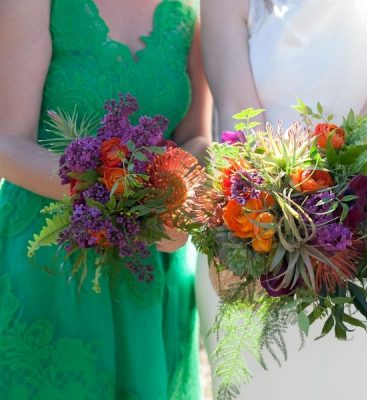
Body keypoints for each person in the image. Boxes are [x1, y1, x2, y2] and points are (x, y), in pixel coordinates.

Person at [198, 0, 367, 398]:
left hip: (352, 243)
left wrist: (337, 229)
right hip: (253, 235)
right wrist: (282, 224)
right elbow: (239, 119)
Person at [0, 0, 212, 398]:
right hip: (52, 264)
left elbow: (196, 136)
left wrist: (180, 197)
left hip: (151, 264)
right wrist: (112, 191)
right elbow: (8, 144)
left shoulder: (186, 15)